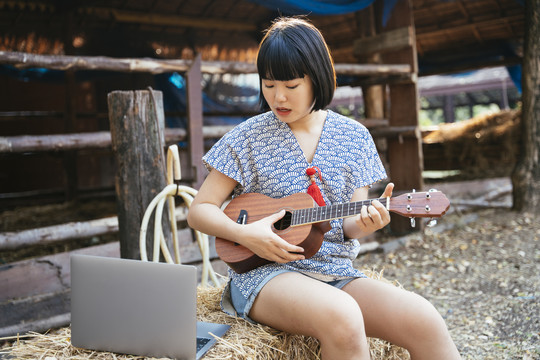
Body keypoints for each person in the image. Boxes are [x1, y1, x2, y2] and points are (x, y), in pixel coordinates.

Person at [188, 16, 461, 360]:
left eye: (290, 85)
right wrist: (246, 235)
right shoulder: (247, 137)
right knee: (343, 315)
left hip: (336, 273)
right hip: (265, 275)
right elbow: (199, 211)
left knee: (425, 320)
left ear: (317, 78)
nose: (278, 96)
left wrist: (366, 223)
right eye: (269, 84)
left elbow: (347, 226)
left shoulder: (354, 137)